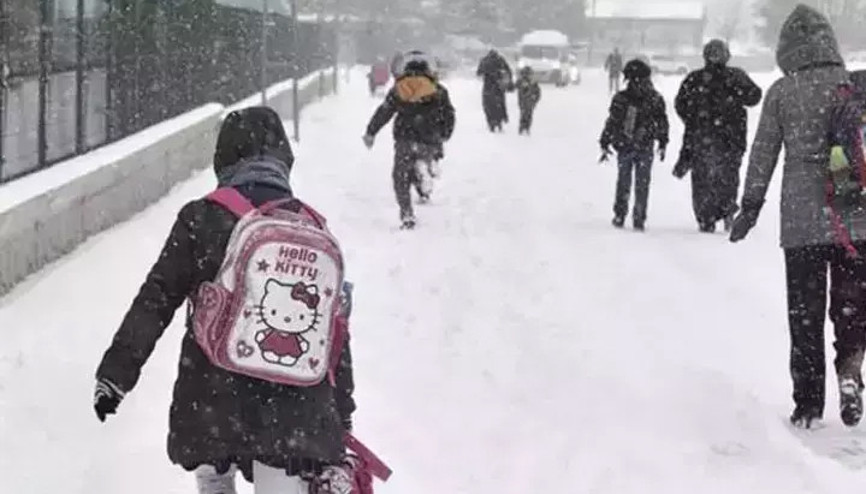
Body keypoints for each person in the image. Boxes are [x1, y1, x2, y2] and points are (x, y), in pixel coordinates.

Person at [92, 107, 357, 492]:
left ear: (223, 158)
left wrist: (115, 375)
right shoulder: (311, 227)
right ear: (284, 159)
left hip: (213, 398)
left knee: (214, 477)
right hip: (293, 409)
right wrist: (341, 413)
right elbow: (334, 334)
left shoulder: (201, 218)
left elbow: (156, 299)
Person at [729, 4, 866, 429]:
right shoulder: (852, 86)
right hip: (852, 216)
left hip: (802, 220)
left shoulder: (783, 92)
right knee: (851, 305)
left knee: (805, 312)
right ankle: (850, 366)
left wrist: (750, 206)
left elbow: (764, 153)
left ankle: (808, 403)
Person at [674, 39, 763, 233]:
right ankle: (726, 209)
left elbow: (680, 104)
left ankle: (706, 217)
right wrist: (735, 96)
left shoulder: (695, 79)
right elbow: (754, 96)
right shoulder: (735, 76)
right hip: (731, 138)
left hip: (703, 138)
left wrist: (694, 120)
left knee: (703, 179)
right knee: (728, 177)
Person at [363, 52, 456, 229]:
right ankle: (427, 168)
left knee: (401, 176)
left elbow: (384, 112)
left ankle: (407, 213)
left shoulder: (399, 89)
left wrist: (371, 132)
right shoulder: (438, 90)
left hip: (405, 138)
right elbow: (449, 115)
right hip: (429, 138)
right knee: (424, 159)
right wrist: (444, 134)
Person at [600, 59, 669, 232]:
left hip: (626, 145)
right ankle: (637, 216)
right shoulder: (654, 98)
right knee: (641, 182)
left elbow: (613, 121)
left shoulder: (622, 98)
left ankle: (621, 213)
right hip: (641, 145)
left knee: (625, 180)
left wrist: (606, 140)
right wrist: (662, 140)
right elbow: (662, 122)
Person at [476, 49, 513, 132]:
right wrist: (508, 82)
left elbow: (478, 73)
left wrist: (487, 72)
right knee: (499, 104)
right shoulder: (500, 60)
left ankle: (491, 122)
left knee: (488, 105)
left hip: (488, 86)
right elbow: (508, 71)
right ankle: (499, 121)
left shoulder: (485, 60)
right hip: (498, 86)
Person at [516, 66, 541, 135]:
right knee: (524, 114)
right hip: (524, 101)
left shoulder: (533, 82)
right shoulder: (521, 82)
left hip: (530, 101)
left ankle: (526, 127)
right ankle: (523, 127)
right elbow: (516, 86)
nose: (527, 76)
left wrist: (535, 99)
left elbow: (538, 92)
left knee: (528, 114)